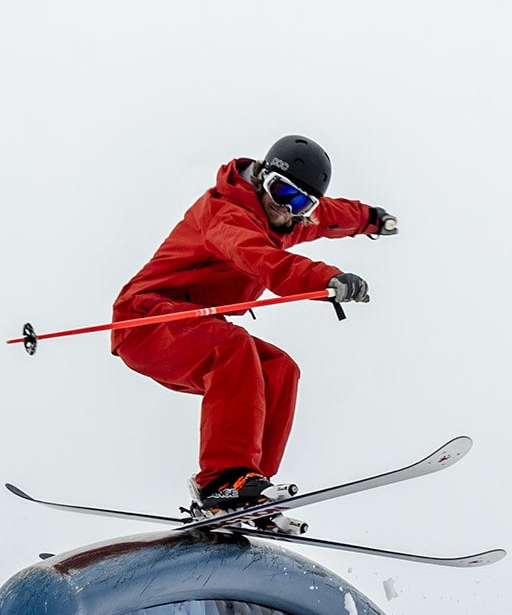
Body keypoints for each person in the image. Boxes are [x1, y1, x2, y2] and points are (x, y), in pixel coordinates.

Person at [111, 134, 397, 512]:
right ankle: (223, 480)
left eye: (300, 202)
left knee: (278, 370)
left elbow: (328, 217)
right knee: (233, 347)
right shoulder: (226, 215)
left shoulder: (285, 218)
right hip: (147, 320)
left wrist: (370, 220)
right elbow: (262, 260)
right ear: (262, 177)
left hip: (187, 327)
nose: (285, 208)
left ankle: (251, 487)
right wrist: (324, 279)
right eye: (281, 192)